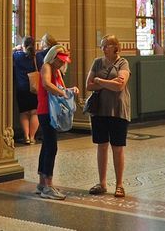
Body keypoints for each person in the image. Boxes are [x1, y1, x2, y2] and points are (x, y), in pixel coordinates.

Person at [85, 34, 131, 198]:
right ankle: (102, 183)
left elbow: (120, 85)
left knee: (117, 148)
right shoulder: (97, 62)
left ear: (115, 47)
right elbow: (89, 85)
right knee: (101, 146)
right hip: (99, 111)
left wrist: (100, 81)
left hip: (118, 110)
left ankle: (119, 184)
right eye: (102, 46)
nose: (103, 48)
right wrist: (103, 83)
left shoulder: (122, 63)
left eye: (106, 46)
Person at [36, 43, 78, 200]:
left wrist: (71, 90)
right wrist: (62, 93)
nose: (62, 63)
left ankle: (42, 183)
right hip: (46, 111)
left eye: (64, 61)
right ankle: (48, 186)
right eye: (60, 61)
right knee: (52, 147)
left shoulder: (58, 72)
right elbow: (47, 84)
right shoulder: (46, 66)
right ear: (53, 58)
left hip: (53, 112)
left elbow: (62, 89)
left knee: (47, 145)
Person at [12, 36, 39, 144]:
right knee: (34, 112)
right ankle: (32, 137)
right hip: (34, 87)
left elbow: (9, 52)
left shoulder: (18, 56)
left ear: (23, 45)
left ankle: (26, 137)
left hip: (21, 87)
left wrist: (15, 48)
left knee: (24, 113)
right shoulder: (35, 57)